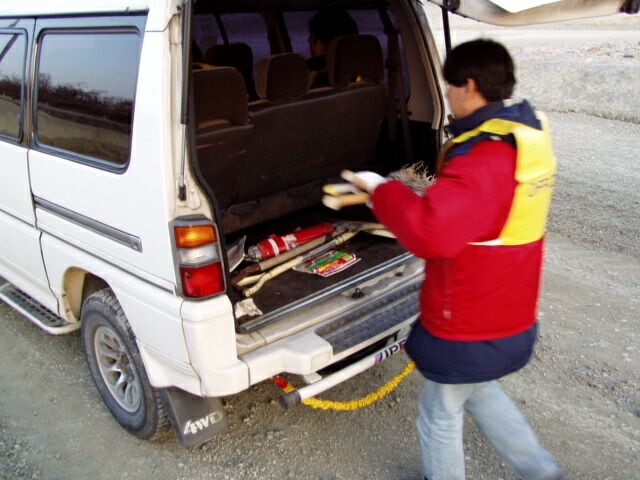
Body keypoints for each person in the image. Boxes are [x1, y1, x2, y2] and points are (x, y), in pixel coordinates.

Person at [350, 39, 563, 480]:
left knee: (439, 412)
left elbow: (432, 233)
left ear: (469, 86)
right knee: (479, 390)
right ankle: (541, 472)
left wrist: (382, 191)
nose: (446, 96)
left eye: (449, 87)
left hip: (469, 318)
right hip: (508, 306)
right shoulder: (524, 136)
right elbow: (473, 216)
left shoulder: (484, 157)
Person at [306, 8, 359, 88]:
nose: (308, 40)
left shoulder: (314, 81)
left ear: (321, 43)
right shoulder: (362, 77)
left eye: (311, 37)